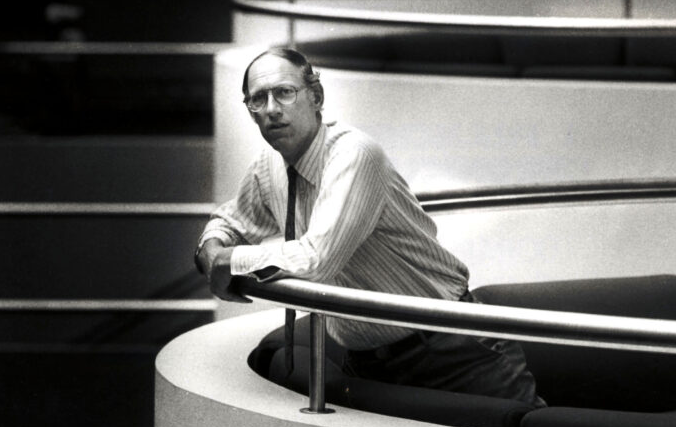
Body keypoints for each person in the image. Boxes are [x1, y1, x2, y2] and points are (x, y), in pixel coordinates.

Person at [195, 46, 543, 406]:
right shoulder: (269, 165)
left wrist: (231, 261)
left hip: (452, 350)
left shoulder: (354, 155)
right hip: (367, 362)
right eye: (258, 99)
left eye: (284, 92)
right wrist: (213, 249)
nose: (271, 109)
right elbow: (230, 220)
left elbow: (317, 261)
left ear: (316, 97)